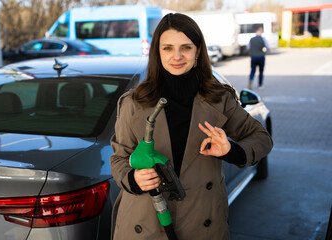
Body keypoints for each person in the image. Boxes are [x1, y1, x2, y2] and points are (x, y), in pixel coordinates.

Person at [110, 13, 273, 240]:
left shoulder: (219, 99)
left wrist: (230, 150)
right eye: (167, 48)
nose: (177, 56)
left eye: (185, 47)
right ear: (157, 52)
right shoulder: (134, 102)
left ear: (198, 51)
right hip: (144, 223)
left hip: (203, 223)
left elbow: (262, 138)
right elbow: (119, 158)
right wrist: (133, 179)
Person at [247, 26, 270, 90]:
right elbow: (268, 47)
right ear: (261, 31)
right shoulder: (263, 39)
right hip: (261, 57)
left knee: (253, 70)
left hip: (253, 57)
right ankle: (260, 85)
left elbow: (248, 47)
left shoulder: (251, 39)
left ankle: (250, 80)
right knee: (261, 72)